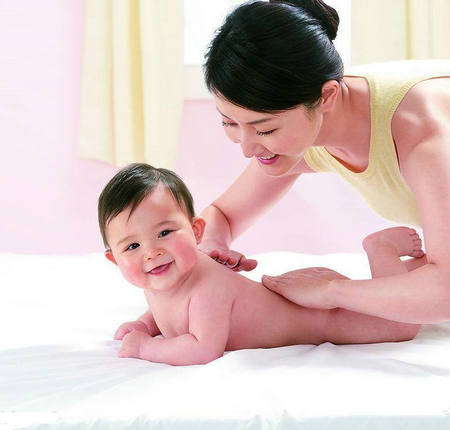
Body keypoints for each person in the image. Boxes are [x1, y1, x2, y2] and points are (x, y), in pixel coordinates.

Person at [199, 0, 450, 324]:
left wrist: (331, 290)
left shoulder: (421, 137)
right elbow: (222, 215)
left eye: (265, 129)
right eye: (229, 123)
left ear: (327, 96)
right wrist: (213, 244)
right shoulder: (304, 120)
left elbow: (445, 292)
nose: (247, 149)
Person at [99, 163, 421, 366]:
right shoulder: (161, 277)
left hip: (323, 315)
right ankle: (412, 273)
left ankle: (382, 249)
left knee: (401, 325)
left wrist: (145, 348)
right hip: (299, 295)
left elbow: (202, 349)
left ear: (196, 231)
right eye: (132, 246)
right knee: (379, 301)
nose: (151, 253)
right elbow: (168, 308)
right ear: (115, 259)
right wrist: (145, 325)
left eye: (165, 233)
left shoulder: (207, 287)